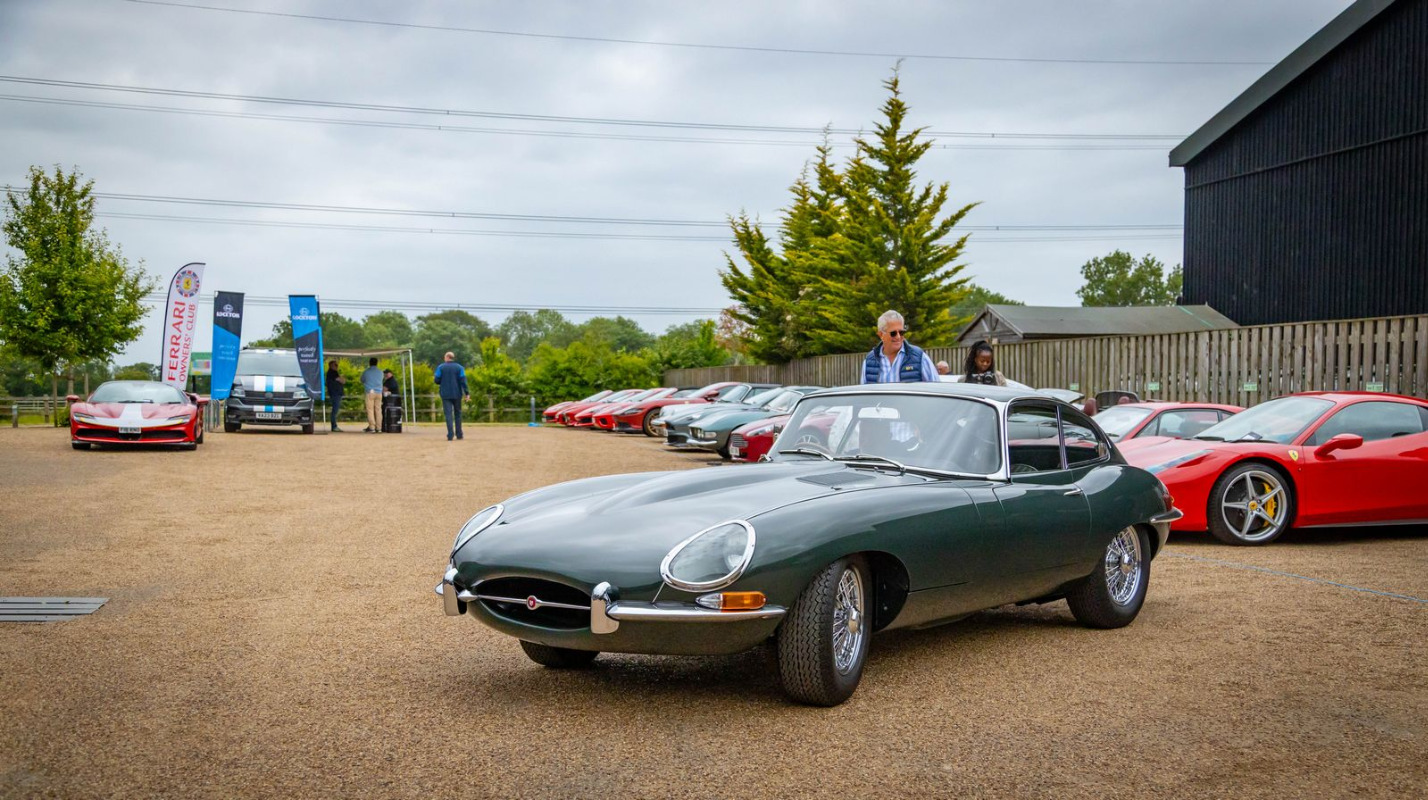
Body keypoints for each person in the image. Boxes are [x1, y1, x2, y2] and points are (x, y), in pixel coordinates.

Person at [861, 310, 938, 384]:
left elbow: (935, 388)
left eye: (901, 332)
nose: (898, 337)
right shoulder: (869, 361)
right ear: (881, 335)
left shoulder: (919, 357)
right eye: (893, 333)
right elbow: (864, 392)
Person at [434, 351, 469, 441]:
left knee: (448, 414)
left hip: (445, 394)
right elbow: (463, 381)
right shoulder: (460, 368)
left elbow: (436, 380)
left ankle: (450, 435)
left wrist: (443, 380)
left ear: (447, 357)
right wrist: (467, 393)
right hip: (457, 393)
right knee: (458, 414)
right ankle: (459, 434)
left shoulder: (440, 367)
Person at [359, 357, 384, 433]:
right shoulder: (380, 372)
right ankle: (379, 427)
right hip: (379, 392)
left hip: (370, 392)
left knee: (370, 410)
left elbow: (362, 380)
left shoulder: (366, 372)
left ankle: (372, 427)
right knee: (378, 410)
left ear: (369, 363)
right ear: (377, 363)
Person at [324, 359, 346, 432]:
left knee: (335, 410)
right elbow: (342, 381)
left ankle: (334, 425)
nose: (337, 366)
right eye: (335, 365)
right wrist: (342, 378)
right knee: (335, 410)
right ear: (331, 366)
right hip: (335, 394)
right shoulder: (332, 373)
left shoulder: (332, 373)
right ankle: (334, 426)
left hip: (335, 393)